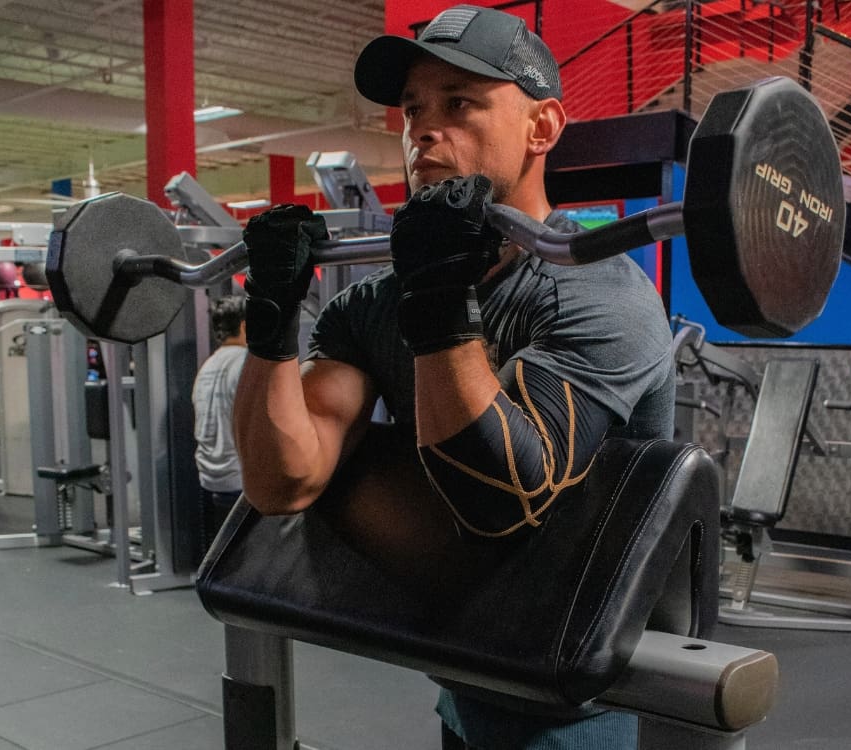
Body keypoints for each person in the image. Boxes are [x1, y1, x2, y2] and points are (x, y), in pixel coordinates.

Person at [234, 5, 674, 749]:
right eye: (412, 110)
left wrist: (441, 298)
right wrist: (271, 324)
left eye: (459, 104)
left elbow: (498, 499)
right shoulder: (369, 308)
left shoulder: (600, 293)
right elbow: (284, 482)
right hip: (468, 674)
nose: (422, 131)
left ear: (542, 128)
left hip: (592, 704)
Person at [192, 294, 248, 553]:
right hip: (239, 484)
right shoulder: (246, 361)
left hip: (211, 480)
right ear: (246, 326)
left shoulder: (208, 366)